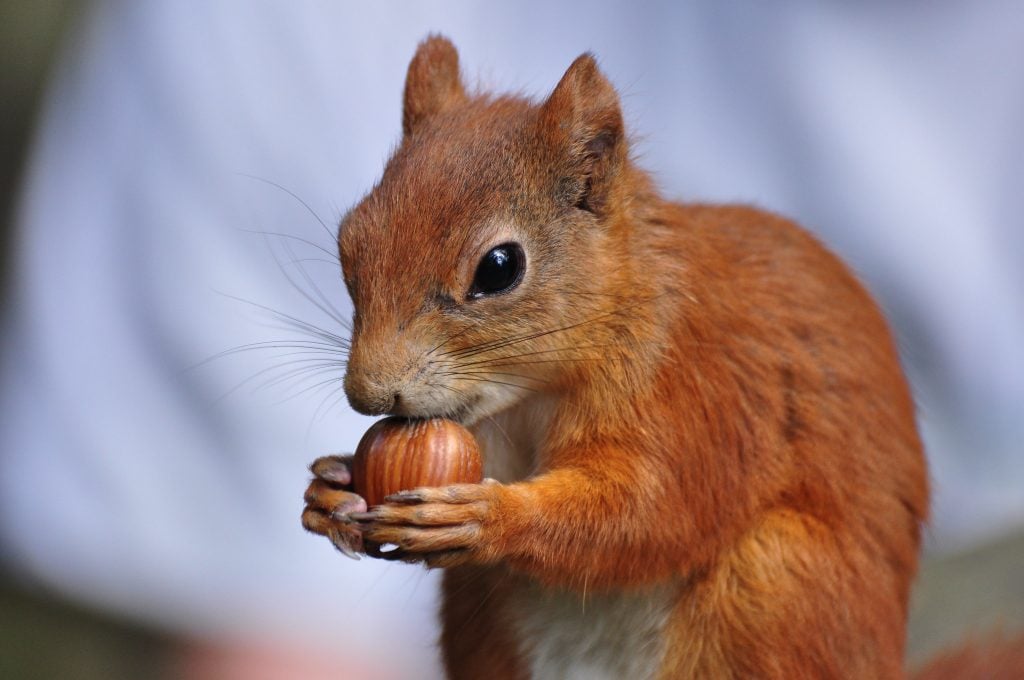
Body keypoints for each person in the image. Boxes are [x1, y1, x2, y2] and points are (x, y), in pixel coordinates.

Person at [2, 2, 1021, 677]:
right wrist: (382, 511)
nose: (374, 377)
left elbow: (660, 516)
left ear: (591, 184)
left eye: (491, 277)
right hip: (567, 621)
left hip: (732, 589)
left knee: (760, 571)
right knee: (474, 589)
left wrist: (495, 517)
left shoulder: (663, 339)